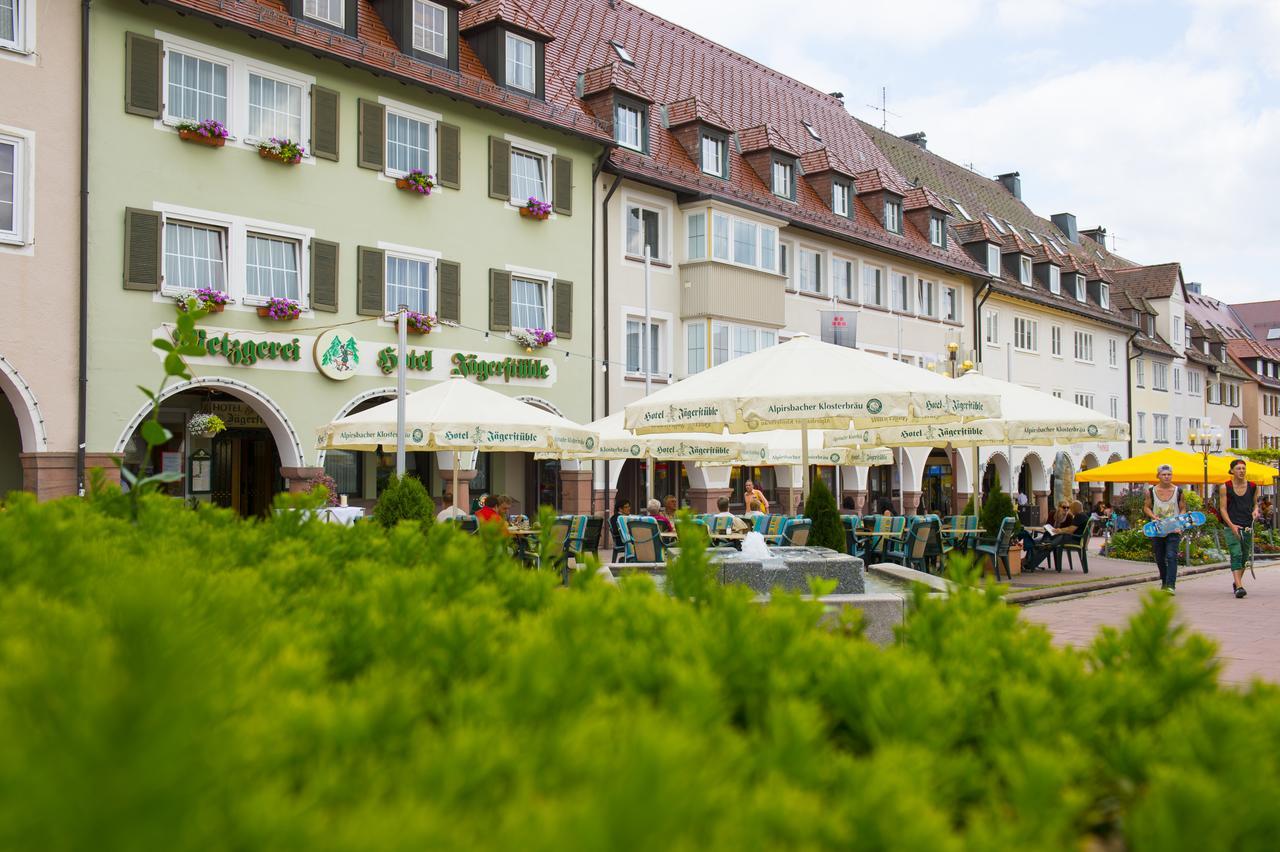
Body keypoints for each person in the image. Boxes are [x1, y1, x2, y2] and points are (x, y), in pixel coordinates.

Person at [1143, 464, 1187, 594]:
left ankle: (1170, 585)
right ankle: (1164, 580)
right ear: (1158, 476)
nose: (1167, 477)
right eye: (1164, 474)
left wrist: (1179, 519)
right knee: (1160, 557)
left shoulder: (1179, 491)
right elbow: (1146, 507)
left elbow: (1183, 507)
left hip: (1174, 529)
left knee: (1171, 555)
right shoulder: (1151, 491)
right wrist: (1153, 516)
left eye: (1169, 474)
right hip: (1157, 528)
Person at [1219, 459, 1259, 599]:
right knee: (1236, 553)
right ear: (1232, 471)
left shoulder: (1253, 486)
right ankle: (1240, 587)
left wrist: (1256, 511)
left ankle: (1237, 582)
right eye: (1238, 468)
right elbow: (1223, 509)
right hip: (1231, 525)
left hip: (1248, 525)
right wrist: (1231, 525)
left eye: (1243, 468)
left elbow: (1255, 504)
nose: (1241, 471)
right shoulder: (1225, 487)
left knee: (1244, 557)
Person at [1020, 500, 1089, 572]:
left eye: (1069, 508)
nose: (1068, 510)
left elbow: (1070, 530)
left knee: (1047, 546)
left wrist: (1060, 530)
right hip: (1068, 537)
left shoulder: (1078, 516)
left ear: (1075, 508)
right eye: (1064, 507)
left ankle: (1030, 563)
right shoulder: (1082, 516)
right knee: (1039, 543)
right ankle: (1030, 562)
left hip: (1071, 538)